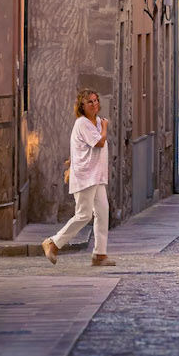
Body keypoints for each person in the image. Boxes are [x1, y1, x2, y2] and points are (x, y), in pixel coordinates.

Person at [43, 89, 115, 267]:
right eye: (90, 102)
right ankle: (53, 242)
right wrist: (106, 127)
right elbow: (99, 142)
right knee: (83, 215)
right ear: (82, 106)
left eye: (96, 100)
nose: (94, 104)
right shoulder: (82, 123)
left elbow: (82, 148)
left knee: (102, 212)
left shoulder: (97, 122)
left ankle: (100, 254)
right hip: (85, 176)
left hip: (96, 175)